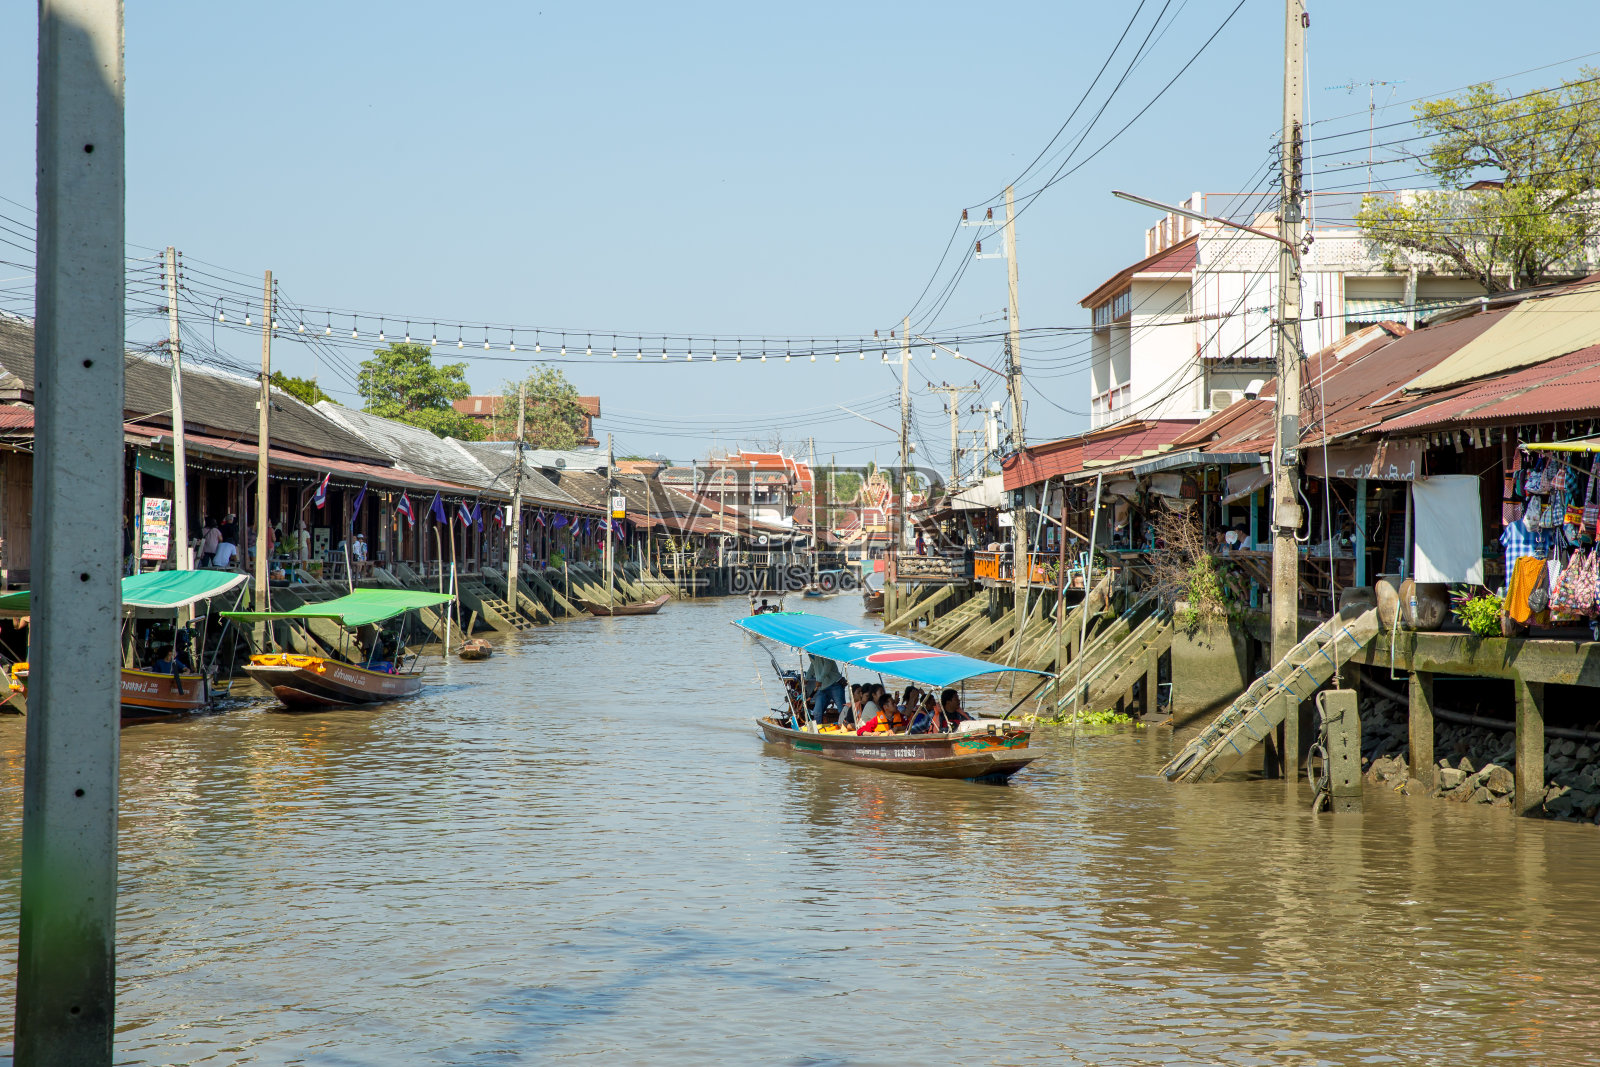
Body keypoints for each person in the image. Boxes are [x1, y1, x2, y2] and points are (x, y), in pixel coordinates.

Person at [804, 654, 845, 724]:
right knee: (817, 712)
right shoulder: (810, 652)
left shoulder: (822, 650)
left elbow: (828, 665)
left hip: (834, 684)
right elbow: (813, 665)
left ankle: (844, 726)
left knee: (842, 710)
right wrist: (806, 678)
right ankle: (817, 729)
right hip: (822, 688)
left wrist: (820, 679)